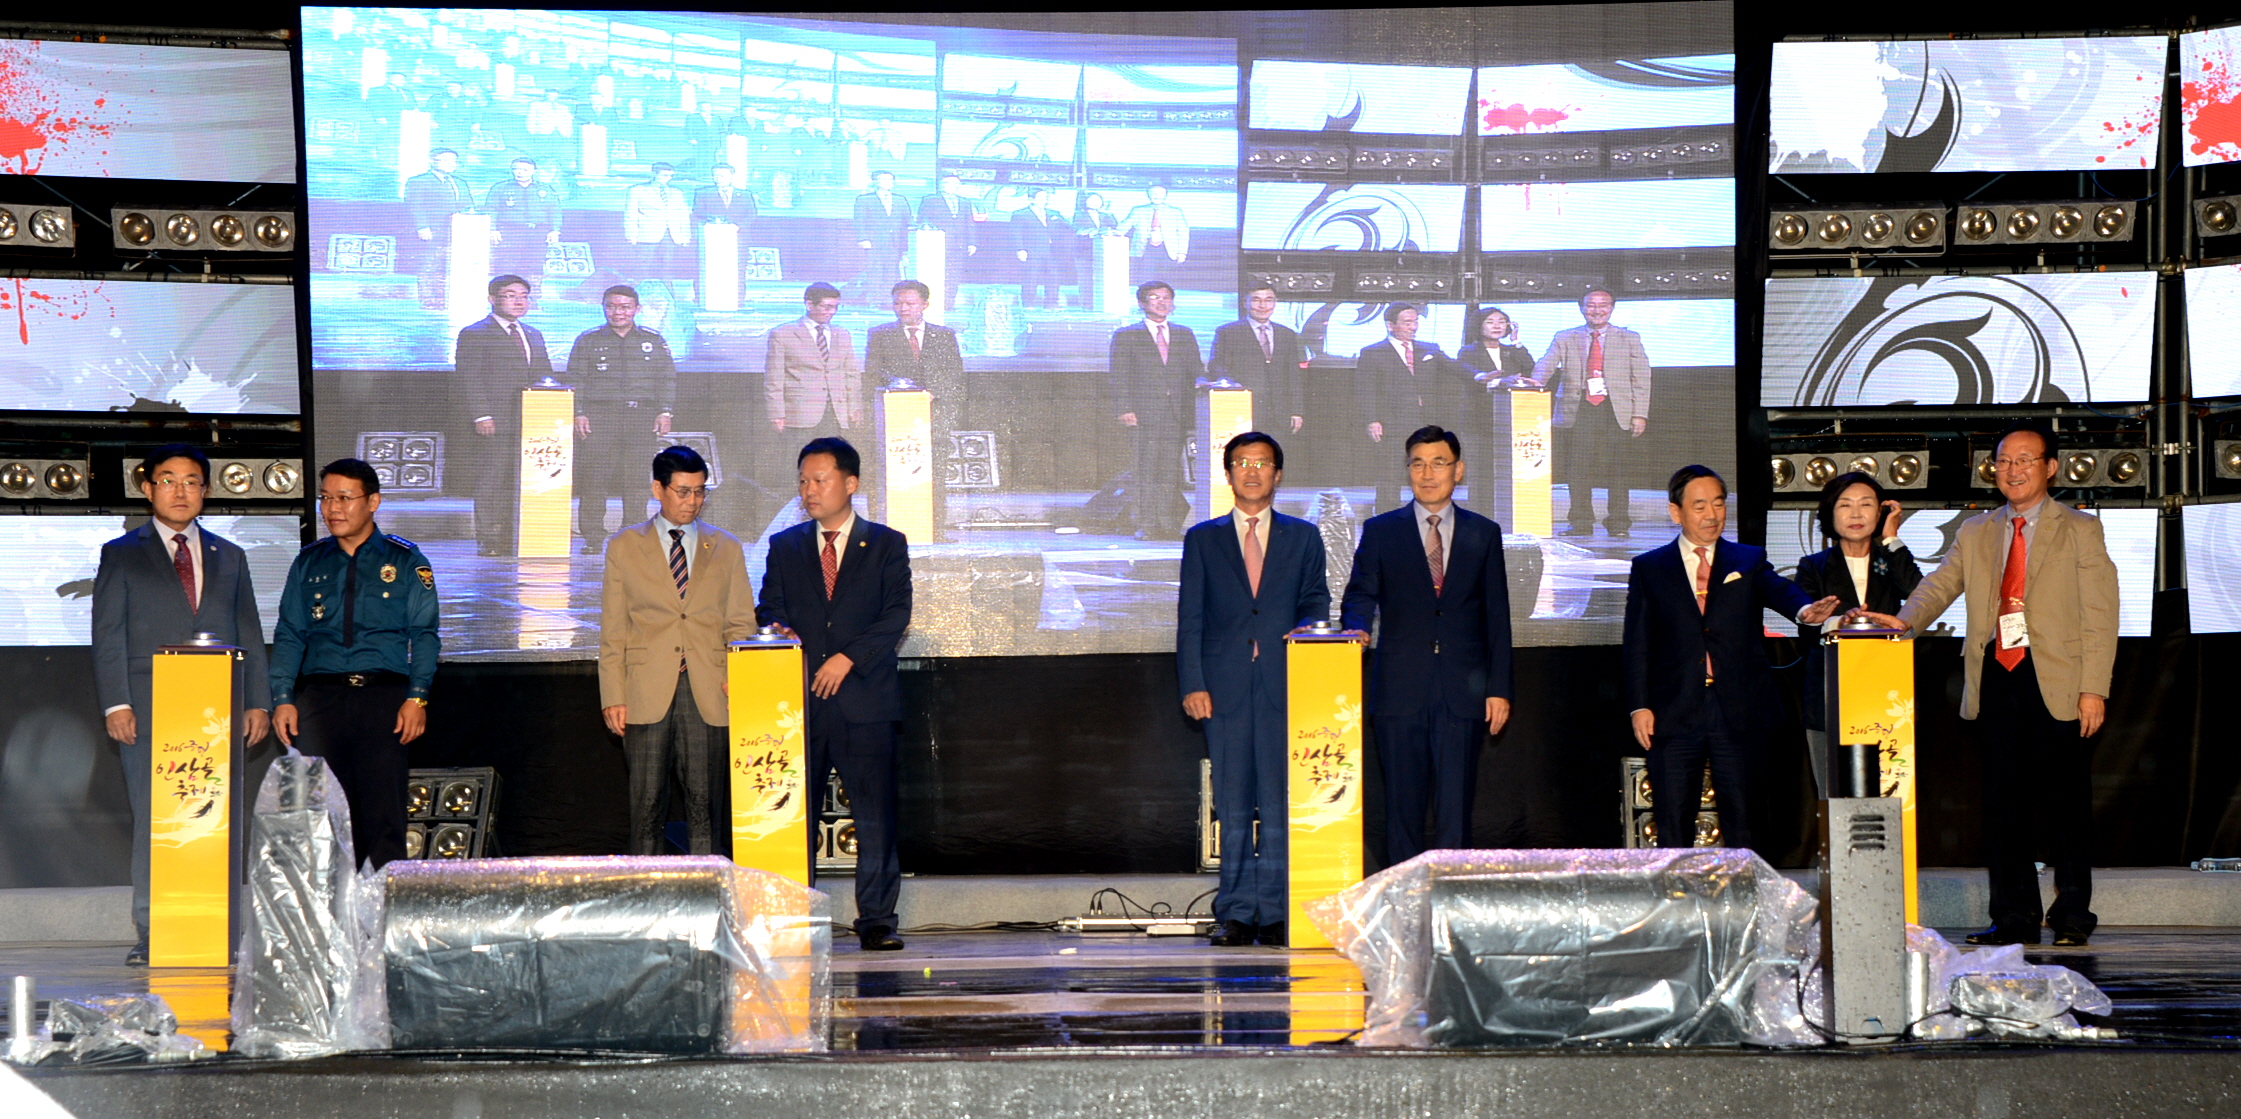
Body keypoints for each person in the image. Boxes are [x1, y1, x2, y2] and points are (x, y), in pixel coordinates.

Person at [1857, 421, 2119, 947]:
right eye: (2003, 461)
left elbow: (2100, 611)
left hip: (2059, 679)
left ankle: (2072, 914)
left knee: (2066, 803)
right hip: (1998, 674)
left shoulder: (2080, 528)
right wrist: (1904, 621)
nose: (2012, 470)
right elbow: (1941, 585)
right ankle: (2014, 917)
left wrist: (2094, 687)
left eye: (2024, 460)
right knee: (2004, 805)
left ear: (2050, 468)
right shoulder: (1977, 530)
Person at [92, 444, 273, 966]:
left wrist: (257, 701)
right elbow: (108, 634)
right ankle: (153, 929)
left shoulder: (229, 555)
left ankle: (213, 925)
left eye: (191, 481)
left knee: (212, 818)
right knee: (156, 821)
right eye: (168, 480)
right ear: (148, 489)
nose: (180, 491)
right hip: (149, 709)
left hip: (216, 712)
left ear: (206, 491)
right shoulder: (121, 553)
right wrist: (116, 704)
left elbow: (249, 632)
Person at [1623, 466, 1840, 855]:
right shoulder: (1650, 568)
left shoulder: (1747, 559)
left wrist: (1806, 611)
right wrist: (1640, 705)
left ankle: (1747, 893)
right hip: (1673, 711)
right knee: (1673, 823)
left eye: (1719, 504)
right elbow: (1637, 643)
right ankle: (1676, 893)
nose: (1712, 515)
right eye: (1700, 506)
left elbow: (1780, 591)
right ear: (1676, 512)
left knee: (1746, 822)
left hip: (1739, 710)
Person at [757, 438, 912, 951]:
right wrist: (782, 634)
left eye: (819, 480)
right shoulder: (786, 546)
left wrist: (848, 658)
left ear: (850, 483)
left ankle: (878, 920)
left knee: (874, 817)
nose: (809, 490)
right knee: (791, 816)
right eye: (803, 481)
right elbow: (769, 608)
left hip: (865, 701)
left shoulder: (886, 544)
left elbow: (895, 615)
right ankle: (794, 918)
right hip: (799, 704)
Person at [1178, 432, 1329, 946]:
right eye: (1241, 462)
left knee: (1282, 803)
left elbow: (1315, 602)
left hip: (1286, 686)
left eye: (1261, 463)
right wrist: (1193, 683)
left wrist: (1309, 655)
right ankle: (1237, 912)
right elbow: (1190, 617)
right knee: (1235, 805)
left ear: (1277, 474)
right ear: (1228, 474)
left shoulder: (1303, 537)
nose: (1251, 471)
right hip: (1223, 689)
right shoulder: (1203, 539)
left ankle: (1280, 910)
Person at [1339, 426, 1514, 866]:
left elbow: (1496, 617)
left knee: (1456, 809)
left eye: (1438, 463)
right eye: (1418, 463)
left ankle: (1450, 896)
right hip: (1400, 689)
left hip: (1463, 691)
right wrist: (1356, 629)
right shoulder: (1381, 531)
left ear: (1458, 470)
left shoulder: (1483, 533)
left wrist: (1499, 688)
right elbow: (1360, 594)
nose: (1427, 473)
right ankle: (1404, 897)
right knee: (1402, 808)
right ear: (1408, 470)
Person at [270, 459, 441, 870]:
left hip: (383, 699)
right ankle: (329, 907)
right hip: (319, 700)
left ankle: (382, 906)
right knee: (321, 816)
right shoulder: (310, 562)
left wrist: (417, 697)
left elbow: (424, 634)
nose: (332, 508)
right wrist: (283, 696)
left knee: (383, 816)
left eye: (344, 498)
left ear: (373, 502)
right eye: (326, 498)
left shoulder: (404, 560)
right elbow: (290, 633)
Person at [599, 446, 757, 856]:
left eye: (700, 492)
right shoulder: (624, 546)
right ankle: (647, 891)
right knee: (647, 808)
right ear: (658, 489)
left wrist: (738, 680)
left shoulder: (726, 547)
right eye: (683, 492)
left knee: (706, 809)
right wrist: (613, 695)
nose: (692, 501)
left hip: (710, 690)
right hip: (645, 691)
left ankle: (705, 891)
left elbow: (741, 623)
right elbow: (614, 630)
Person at [1791, 471, 1921, 796]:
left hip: (1885, 692)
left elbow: (1919, 595)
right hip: (1829, 693)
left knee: (1889, 791)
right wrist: (1839, 623)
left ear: (1881, 512)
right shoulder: (1812, 565)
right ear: (1830, 514)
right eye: (1845, 505)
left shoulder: (1890, 559)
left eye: (1866, 504)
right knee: (1833, 792)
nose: (1856, 514)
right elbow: (1805, 629)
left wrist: (1891, 537)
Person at [1534, 288, 1651, 537]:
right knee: (1578, 467)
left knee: (1618, 468)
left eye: (1603, 305)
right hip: (1578, 408)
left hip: (1616, 408)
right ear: (1581, 308)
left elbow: (1641, 377)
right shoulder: (1565, 336)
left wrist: (1639, 414)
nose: (1597, 310)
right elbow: (1546, 363)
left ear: (1612, 308)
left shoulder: (1629, 338)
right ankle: (1581, 523)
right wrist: (1533, 382)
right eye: (1591, 305)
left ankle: (1618, 523)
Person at [568, 285, 677, 550]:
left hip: (641, 417)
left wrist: (665, 410)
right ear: (604, 307)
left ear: (636, 309)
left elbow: (666, 378)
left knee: (637, 480)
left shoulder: (653, 340)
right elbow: (575, 379)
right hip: (600, 417)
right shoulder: (588, 340)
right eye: (612, 306)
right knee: (595, 478)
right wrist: (578, 412)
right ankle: (593, 537)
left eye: (625, 307)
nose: (618, 312)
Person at [456, 274, 553, 555]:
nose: (519, 302)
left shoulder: (533, 334)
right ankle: (489, 538)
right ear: (492, 299)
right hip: (495, 420)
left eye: (523, 296)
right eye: (511, 296)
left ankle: (517, 534)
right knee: (492, 479)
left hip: (531, 420)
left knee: (523, 479)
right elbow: (469, 378)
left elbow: (544, 376)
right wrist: (481, 414)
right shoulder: (475, 333)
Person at [864, 280, 964, 541]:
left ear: (925, 305)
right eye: (898, 303)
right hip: (897, 419)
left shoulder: (944, 335)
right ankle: (893, 532)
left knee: (934, 476)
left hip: (934, 418)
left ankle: (935, 531)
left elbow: (954, 374)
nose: (903, 308)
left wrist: (932, 393)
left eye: (910, 303)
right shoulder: (880, 334)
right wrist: (902, 390)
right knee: (895, 475)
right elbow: (873, 372)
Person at [1107, 280, 1202, 540]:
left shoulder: (1184, 334)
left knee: (1170, 472)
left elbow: (1196, 371)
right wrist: (1124, 408)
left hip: (1176, 414)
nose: (1162, 302)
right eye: (1154, 297)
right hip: (1142, 414)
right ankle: (1145, 524)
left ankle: (1168, 524)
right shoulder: (1127, 335)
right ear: (1142, 303)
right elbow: (1118, 376)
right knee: (1145, 471)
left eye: (1166, 297)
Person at [1354, 303, 1466, 512]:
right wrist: (1372, 420)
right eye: (1407, 322)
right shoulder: (1372, 352)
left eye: (1415, 321)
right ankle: (1387, 517)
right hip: (1393, 422)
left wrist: (1482, 376)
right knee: (1391, 473)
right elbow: (1365, 390)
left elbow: (1456, 367)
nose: (1413, 327)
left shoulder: (1430, 349)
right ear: (1390, 325)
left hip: (1426, 423)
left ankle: (1428, 515)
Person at [1208, 285, 1306, 437]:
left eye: (1268, 300)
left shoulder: (1287, 334)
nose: (1263, 305)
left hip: (1280, 416)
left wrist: (1296, 411)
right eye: (1256, 300)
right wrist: (1234, 386)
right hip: (1242, 412)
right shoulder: (1228, 332)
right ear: (1244, 303)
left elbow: (1294, 376)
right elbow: (1217, 366)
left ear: (1275, 303)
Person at [403, 149, 474, 308]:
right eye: (445, 160)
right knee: (429, 264)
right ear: (432, 161)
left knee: (449, 266)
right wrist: (422, 226)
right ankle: (428, 299)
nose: (451, 164)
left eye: (454, 161)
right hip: (431, 231)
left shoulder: (459, 183)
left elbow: (468, 205)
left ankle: (446, 298)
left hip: (456, 231)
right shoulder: (418, 181)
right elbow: (414, 206)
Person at [484, 158, 562, 294]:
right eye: (516, 169)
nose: (520, 173)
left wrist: (555, 230)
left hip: (537, 233)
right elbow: (491, 209)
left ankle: (532, 297)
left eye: (525, 170)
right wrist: (492, 229)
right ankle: (503, 296)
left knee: (534, 266)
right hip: (510, 232)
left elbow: (554, 210)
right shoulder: (501, 188)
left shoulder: (544, 189)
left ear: (534, 171)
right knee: (507, 265)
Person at [623, 163, 693, 283]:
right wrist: (631, 234)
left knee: (668, 267)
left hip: (671, 235)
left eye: (671, 176)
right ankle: (638, 291)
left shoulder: (677, 192)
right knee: (643, 267)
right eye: (664, 175)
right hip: (646, 234)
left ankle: (668, 292)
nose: (668, 178)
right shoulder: (637, 190)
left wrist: (686, 236)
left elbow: (683, 216)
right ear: (654, 174)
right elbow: (630, 214)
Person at [917, 173, 978, 309]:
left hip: (959, 244)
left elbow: (969, 223)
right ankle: (932, 302)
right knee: (935, 274)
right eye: (947, 183)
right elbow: (923, 220)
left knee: (954, 275)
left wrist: (972, 243)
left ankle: (949, 302)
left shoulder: (965, 202)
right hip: (937, 243)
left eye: (955, 183)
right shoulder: (930, 200)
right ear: (940, 185)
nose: (951, 186)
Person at [853, 170, 913, 291]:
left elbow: (908, 221)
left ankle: (888, 298)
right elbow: (859, 221)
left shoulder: (900, 200)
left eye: (890, 179)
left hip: (895, 243)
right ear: (875, 182)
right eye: (884, 179)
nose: (888, 182)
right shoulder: (865, 199)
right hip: (874, 242)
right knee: (875, 273)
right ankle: (874, 298)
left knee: (891, 274)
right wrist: (863, 239)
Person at [1009, 188, 1068, 310]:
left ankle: (1051, 303)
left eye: (1046, 197)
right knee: (1031, 277)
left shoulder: (1053, 213)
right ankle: (1028, 303)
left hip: (1051, 251)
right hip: (1032, 251)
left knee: (1053, 277)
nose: (1044, 200)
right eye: (1041, 197)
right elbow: (1016, 233)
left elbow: (1068, 227)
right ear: (1031, 199)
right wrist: (1020, 249)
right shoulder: (1020, 214)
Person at [1118, 183, 1189, 285]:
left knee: (1166, 278)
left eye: (1160, 193)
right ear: (1148, 195)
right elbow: (1125, 226)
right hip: (1145, 247)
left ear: (1165, 195)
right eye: (1153, 193)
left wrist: (1182, 252)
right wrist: (1112, 234)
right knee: (1145, 277)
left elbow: (1183, 233)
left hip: (1168, 249)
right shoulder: (1138, 210)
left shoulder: (1176, 212)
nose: (1157, 196)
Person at [693, 163, 759, 238]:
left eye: (722, 176)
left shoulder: (745, 195)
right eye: (715, 175)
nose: (718, 179)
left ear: (732, 176)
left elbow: (751, 215)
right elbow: (698, 213)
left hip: (740, 236)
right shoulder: (703, 194)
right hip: (713, 235)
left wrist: (737, 226)